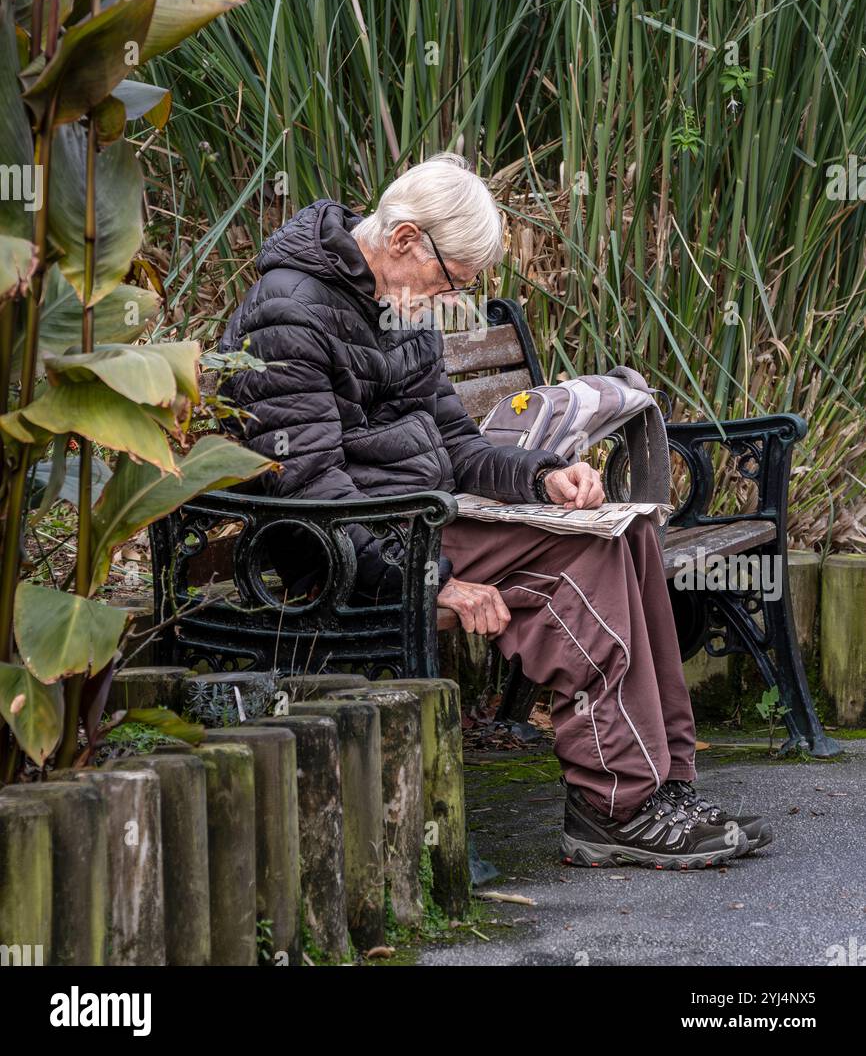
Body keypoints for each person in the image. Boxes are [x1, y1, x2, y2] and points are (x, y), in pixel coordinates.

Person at [217, 153, 772, 869]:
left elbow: (455, 444)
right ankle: (615, 806)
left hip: (412, 518)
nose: (453, 303)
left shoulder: (395, 305)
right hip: (344, 546)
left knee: (628, 532)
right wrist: (432, 584)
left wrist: (545, 478)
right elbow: (312, 496)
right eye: (453, 283)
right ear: (407, 238)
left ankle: (663, 785)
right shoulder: (289, 310)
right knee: (581, 561)